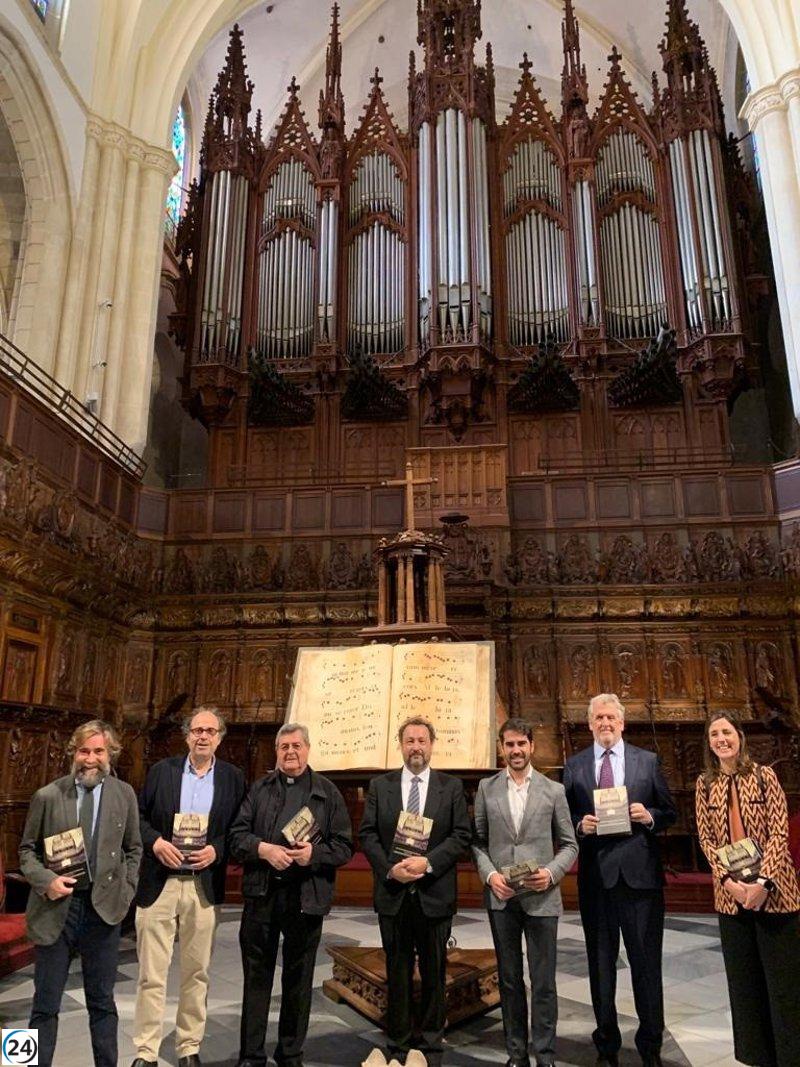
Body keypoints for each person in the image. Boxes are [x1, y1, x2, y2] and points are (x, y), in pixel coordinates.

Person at [19, 719, 142, 1067]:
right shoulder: (47, 795)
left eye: (99, 751)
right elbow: (26, 851)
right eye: (84, 750)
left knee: (102, 1002)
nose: (91, 758)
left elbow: (134, 848)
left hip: (102, 910)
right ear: (74, 753)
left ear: (110, 754)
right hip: (55, 908)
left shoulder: (125, 794)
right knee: (43, 1003)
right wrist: (46, 881)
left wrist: (126, 890)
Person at [229, 722, 352, 1067]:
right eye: (284, 747)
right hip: (262, 895)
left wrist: (315, 856)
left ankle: (291, 1053)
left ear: (308, 749)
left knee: (298, 980)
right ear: (277, 752)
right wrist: (264, 849)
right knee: (257, 978)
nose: (290, 752)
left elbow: (343, 846)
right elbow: (237, 836)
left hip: (305, 897)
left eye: (297, 746)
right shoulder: (260, 789)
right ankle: (251, 1055)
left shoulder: (327, 793)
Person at [563, 693, 676, 1067]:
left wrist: (649, 816)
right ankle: (606, 1043)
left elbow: (670, 811)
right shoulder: (575, 765)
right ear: (590, 723)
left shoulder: (647, 761)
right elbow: (564, 820)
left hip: (641, 880)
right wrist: (581, 824)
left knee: (646, 964)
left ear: (622, 723)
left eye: (611, 717)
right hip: (597, 881)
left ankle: (650, 1044)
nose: (605, 723)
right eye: (598, 718)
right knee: (600, 965)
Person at [131, 705, 246, 1067]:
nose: (203, 737)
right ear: (187, 736)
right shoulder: (161, 771)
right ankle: (146, 1051)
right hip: (160, 884)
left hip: (202, 885)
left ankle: (188, 1047)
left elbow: (239, 831)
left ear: (219, 738)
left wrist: (217, 849)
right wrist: (155, 843)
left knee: (196, 972)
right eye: (197, 730)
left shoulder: (233, 778)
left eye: (210, 731)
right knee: (151, 974)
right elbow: (140, 819)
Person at [359, 716, 472, 1067]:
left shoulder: (450, 786)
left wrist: (428, 863)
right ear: (401, 744)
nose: (416, 747)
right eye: (410, 740)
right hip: (394, 893)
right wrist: (390, 869)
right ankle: (398, 1041)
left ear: (432, 744)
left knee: (436, 970)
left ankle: (432, 1042)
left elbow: (461, 836)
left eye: (422, 740)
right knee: (397, 968)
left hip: (434, 892)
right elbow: (367, 835)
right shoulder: (381, 785)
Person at [694, 712, 800, 1067]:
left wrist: (762, 883)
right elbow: (706, 839)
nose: (721, 739)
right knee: (745, 985)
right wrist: (728, 881)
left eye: (726, 732)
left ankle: (790, 1056)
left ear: (739, 736)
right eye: (714, 734)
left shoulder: (764, 776)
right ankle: (757, 1057)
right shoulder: (704, 784)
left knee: (783, 984)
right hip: (731, 897)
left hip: (775, 894)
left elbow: (779, 834)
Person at [472, 718, 578, 1067]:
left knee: (544, 981)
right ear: (501, 747)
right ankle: (516, 1052)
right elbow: (478, 842)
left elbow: (569, 845)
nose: (515, 750)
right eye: (509, 744)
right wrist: (490, 877)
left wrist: (550, 873)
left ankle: (545, 1054)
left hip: (542, 898)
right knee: (510, 979)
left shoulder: (554, 791)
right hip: (502, 898)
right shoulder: (487, 789)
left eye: (521, 744)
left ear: (531, 746)